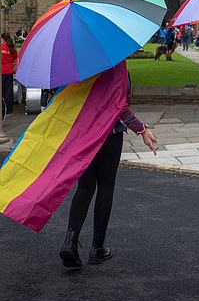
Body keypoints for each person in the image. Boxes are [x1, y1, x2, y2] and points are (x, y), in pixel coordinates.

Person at [59, 69, 159, 268]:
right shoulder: (117, 66)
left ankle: (70, 241)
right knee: (105, 187)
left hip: (83, 134)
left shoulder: (78, 66)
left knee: (85, 187)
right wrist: (142, 129)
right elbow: (120, 106)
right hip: (110, 135)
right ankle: (97, 247)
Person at [1, 33, 18, 115]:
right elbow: (15, 59)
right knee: (9, 90)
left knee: (2, 90)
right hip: (9, 70)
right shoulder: (12, 47)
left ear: (3, 39)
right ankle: (8, 108)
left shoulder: (2, 47)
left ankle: (3, 108)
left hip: (2, 70)